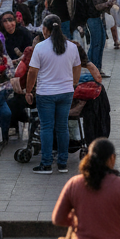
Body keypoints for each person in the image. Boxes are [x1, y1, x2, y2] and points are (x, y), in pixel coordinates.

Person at [26, 15, 82, 174]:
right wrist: (73, 83)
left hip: (45, 93)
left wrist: (28, 91)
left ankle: (46, 164)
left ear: (45, 29)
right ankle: (63, 163)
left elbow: (32, 72)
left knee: (46, 127)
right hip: (66, 92)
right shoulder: (71, 47)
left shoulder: (40, 47)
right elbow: (77, 67)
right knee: (62, 127)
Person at [82, 0, 115, 74]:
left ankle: (92, 66)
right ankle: (95, 68)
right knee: (97, 43)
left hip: (93, 17)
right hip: (93, 17)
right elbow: (97, 5)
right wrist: (109, 3)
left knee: (99, 41)